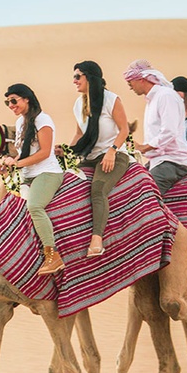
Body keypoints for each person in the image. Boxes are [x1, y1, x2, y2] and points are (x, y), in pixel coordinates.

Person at [0, 83, 65, 274]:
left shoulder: (43, 120)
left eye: (14, 100)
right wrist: (9, 161)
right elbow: (24, 153)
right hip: (27, 175)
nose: (11, 105)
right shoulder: (21, 123)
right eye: (7, 102)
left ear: (26, 98)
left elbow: (44, 152)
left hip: (47, 173)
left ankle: (53, 256)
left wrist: (18, 164)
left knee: (34, 207)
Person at [68, 61, 130, 257]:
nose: (74, 81)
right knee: (68, 183)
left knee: (98, 189)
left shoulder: (111, 100)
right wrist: (68, 153)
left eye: (78, 76)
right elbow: (79, 133)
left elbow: (124, 129)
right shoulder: (78, 105)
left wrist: (112, 151)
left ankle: (97, 239)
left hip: (114, 154)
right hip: (90, 156)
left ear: (90, 77)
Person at [124, 59, 187, 196]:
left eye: (130, 80)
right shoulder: (153, 99)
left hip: (172, 162)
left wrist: (145, 147)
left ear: (142, 78)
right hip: (158, 161)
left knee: (146, 197)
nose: (129, 85)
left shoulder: (165, 96)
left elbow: (169, 131)